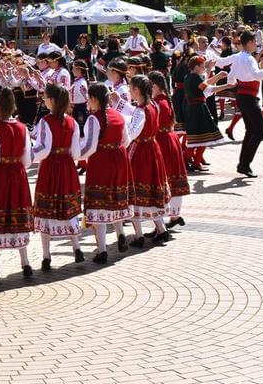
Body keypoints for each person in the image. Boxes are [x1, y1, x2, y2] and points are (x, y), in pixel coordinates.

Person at [213, 31, 263, 178]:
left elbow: (225, 68)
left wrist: (231, 78)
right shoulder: (248, 58)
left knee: (251, 130)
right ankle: (244, 164)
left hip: (243, 96)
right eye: (254, 42)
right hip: (247, 97)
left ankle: (243, 164)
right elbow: (257, 75)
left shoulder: (239, 56)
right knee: (260, 131)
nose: (256, 44)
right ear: (248, 43)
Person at [0, 87, 34, 284]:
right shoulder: (22, 128)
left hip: (1, 175)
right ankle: (25, 262)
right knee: (17, 213)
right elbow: (27, 159)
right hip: (18, 174)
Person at [77, 83, 132, 264]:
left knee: (99, 204)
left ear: (94, 99)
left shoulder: (94, 119)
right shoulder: (118, 115)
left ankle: (102, 251)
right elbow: (126, 139)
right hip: (119, 158)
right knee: (114, 197)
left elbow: (89, 146)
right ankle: (121, 234)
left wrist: (74, 156)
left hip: (101, 161)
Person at [31, 82, 84, 271]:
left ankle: (46, 257)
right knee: (68, 207)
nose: (43, 100)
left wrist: (28, 153)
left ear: (51, 100)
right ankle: (77, 248)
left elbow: (43, 149)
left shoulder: (46, 121)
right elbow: (76, 153)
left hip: (51, 167)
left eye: (45, 97)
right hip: (67, 166)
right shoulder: (72, 122)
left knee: (46, 209)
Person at [124, 74, 170, 246]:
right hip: (153, 148)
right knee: (151, 191)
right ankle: (162, 230)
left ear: (137, 90)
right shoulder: (153, 105)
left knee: (135, 192)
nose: (129, 90)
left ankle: (139, 235)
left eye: (131, 88)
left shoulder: (140, 110)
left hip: (141, 152)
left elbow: (132, 133)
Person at [150, 71, 189, 228]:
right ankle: (174, 216)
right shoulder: (163, 99)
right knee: (171, 178)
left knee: (166, 179)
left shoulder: (160, 103)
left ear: (155, 86)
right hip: (168, 139)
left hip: (163, 141)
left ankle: (168, 218)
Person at [182, 56, 229, 170]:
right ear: (196, 67)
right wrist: (218, 76)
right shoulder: (194, 77)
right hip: (198, 109)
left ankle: (192, 161)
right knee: (203, 136)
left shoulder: (189, 76)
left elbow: (206, 85)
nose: (204, 68)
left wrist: (221, 80)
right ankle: (188, 160)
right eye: (202, 66)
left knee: (200, 138)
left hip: (194, 108)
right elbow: (205, 86)